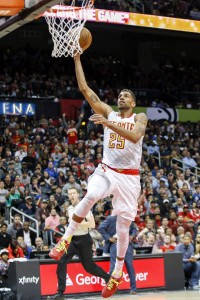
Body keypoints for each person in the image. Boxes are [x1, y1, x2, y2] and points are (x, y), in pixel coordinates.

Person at [50, 53, 147, 298]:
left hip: (130, 177)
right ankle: (66, 237)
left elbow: (135, 136)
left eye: (126, 95)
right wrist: (77, 59)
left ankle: (115, 274)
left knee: (124, 227)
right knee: (92, 193)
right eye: (120, 95)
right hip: (107, 169)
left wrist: (106, 123)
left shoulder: (139, 117)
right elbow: (84, 89)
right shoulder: (108, 112)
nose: (121, 97)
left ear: (133, 103)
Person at [54, 187, 110, 298]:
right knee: (61, 261)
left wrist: (76, 222)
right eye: (70, 194)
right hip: (72, 240)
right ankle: (60, 292)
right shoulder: (69, 208)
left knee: (89, 267)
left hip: (84, 240)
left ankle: (108, 278)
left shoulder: (85, 207)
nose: (72, 195)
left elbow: (92, 225)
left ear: (78, 194)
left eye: (74, 193)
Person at [98, 215, 137, 295]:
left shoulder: (127, 217)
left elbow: (134, 229)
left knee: (129, 265)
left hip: (127, 244)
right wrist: (109, 238)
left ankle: (133, 288)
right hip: (116, 243)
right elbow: (100, 228)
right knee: (113, 267)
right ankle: (112, 289)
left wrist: (132, 236)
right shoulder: (110, 218)